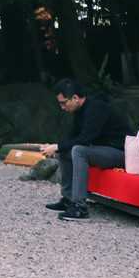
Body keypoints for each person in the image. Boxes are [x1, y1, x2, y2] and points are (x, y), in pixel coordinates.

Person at [41, 78, 130, 220]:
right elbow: (72, 137)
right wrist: (55, 147)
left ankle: (79, 207)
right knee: (66, 150)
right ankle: (69, 199)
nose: (62, 107)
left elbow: (85, 139)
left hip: (120, 153)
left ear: (75, 98)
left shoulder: (96, 108)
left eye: (64, 103)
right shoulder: (80, 111)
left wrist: (57, 146)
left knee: (78, 150)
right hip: (104, 150)